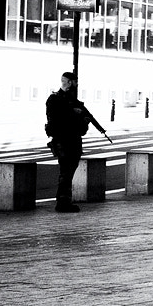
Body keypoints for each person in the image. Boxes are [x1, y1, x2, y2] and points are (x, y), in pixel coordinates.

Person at [44, 71, 105, 214]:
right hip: (64, 142)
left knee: (67, 172)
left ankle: (63, 200)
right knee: (66, 172)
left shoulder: (70, 101)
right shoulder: (56, 99)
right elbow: (55, 121)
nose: (77, 85)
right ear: (70, 82)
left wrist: (83, 120)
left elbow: (81, 128)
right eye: (75, 82)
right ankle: (63, 203)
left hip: (71, 141)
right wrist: (75, 115)